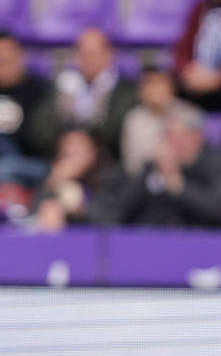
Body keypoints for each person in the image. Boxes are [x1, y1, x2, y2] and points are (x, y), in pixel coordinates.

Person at [95, 103, 221, 228]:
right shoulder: (156, 165)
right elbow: (122, 208)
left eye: (176, 137)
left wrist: (179, 187)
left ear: (196, 136)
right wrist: (154, 174)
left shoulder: (218, 162)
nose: (170, 143)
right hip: (160, 244)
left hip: (212, 246)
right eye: (167, 136)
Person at [52, 28, 138, 158]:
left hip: (106, 160)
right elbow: (42, 129)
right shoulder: (62, 85)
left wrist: (85, 142)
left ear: (108, 54)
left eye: (94, 54)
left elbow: (117, 131)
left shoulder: (124, 90)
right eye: (83, 54)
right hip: (62, 154)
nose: (88, 60)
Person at [0, 32, 58, 188]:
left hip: (30, 162)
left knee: (6, 167)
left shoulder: (40, 90)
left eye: (6, 61)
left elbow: (42, 140)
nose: (3, 67)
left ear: (21, 56)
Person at [120, 67, 199, 174]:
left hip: (185, 176)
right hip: (145, 178)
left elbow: (195, 155)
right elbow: (133, 162)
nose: (155, 89)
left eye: (160, 84)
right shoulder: (134, 119)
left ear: (172, 88)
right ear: (141, 91)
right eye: (149, 84)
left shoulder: (188, 114)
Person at [31, 127, 109, 232]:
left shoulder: (109, 178)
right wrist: (55, 183)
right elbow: (35, 214)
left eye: (80, 146)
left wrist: (79, 211)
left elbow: (110, 219)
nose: (73, 153)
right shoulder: (52, 179)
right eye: (68, 146)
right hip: (62, 240)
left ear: (94, 151)